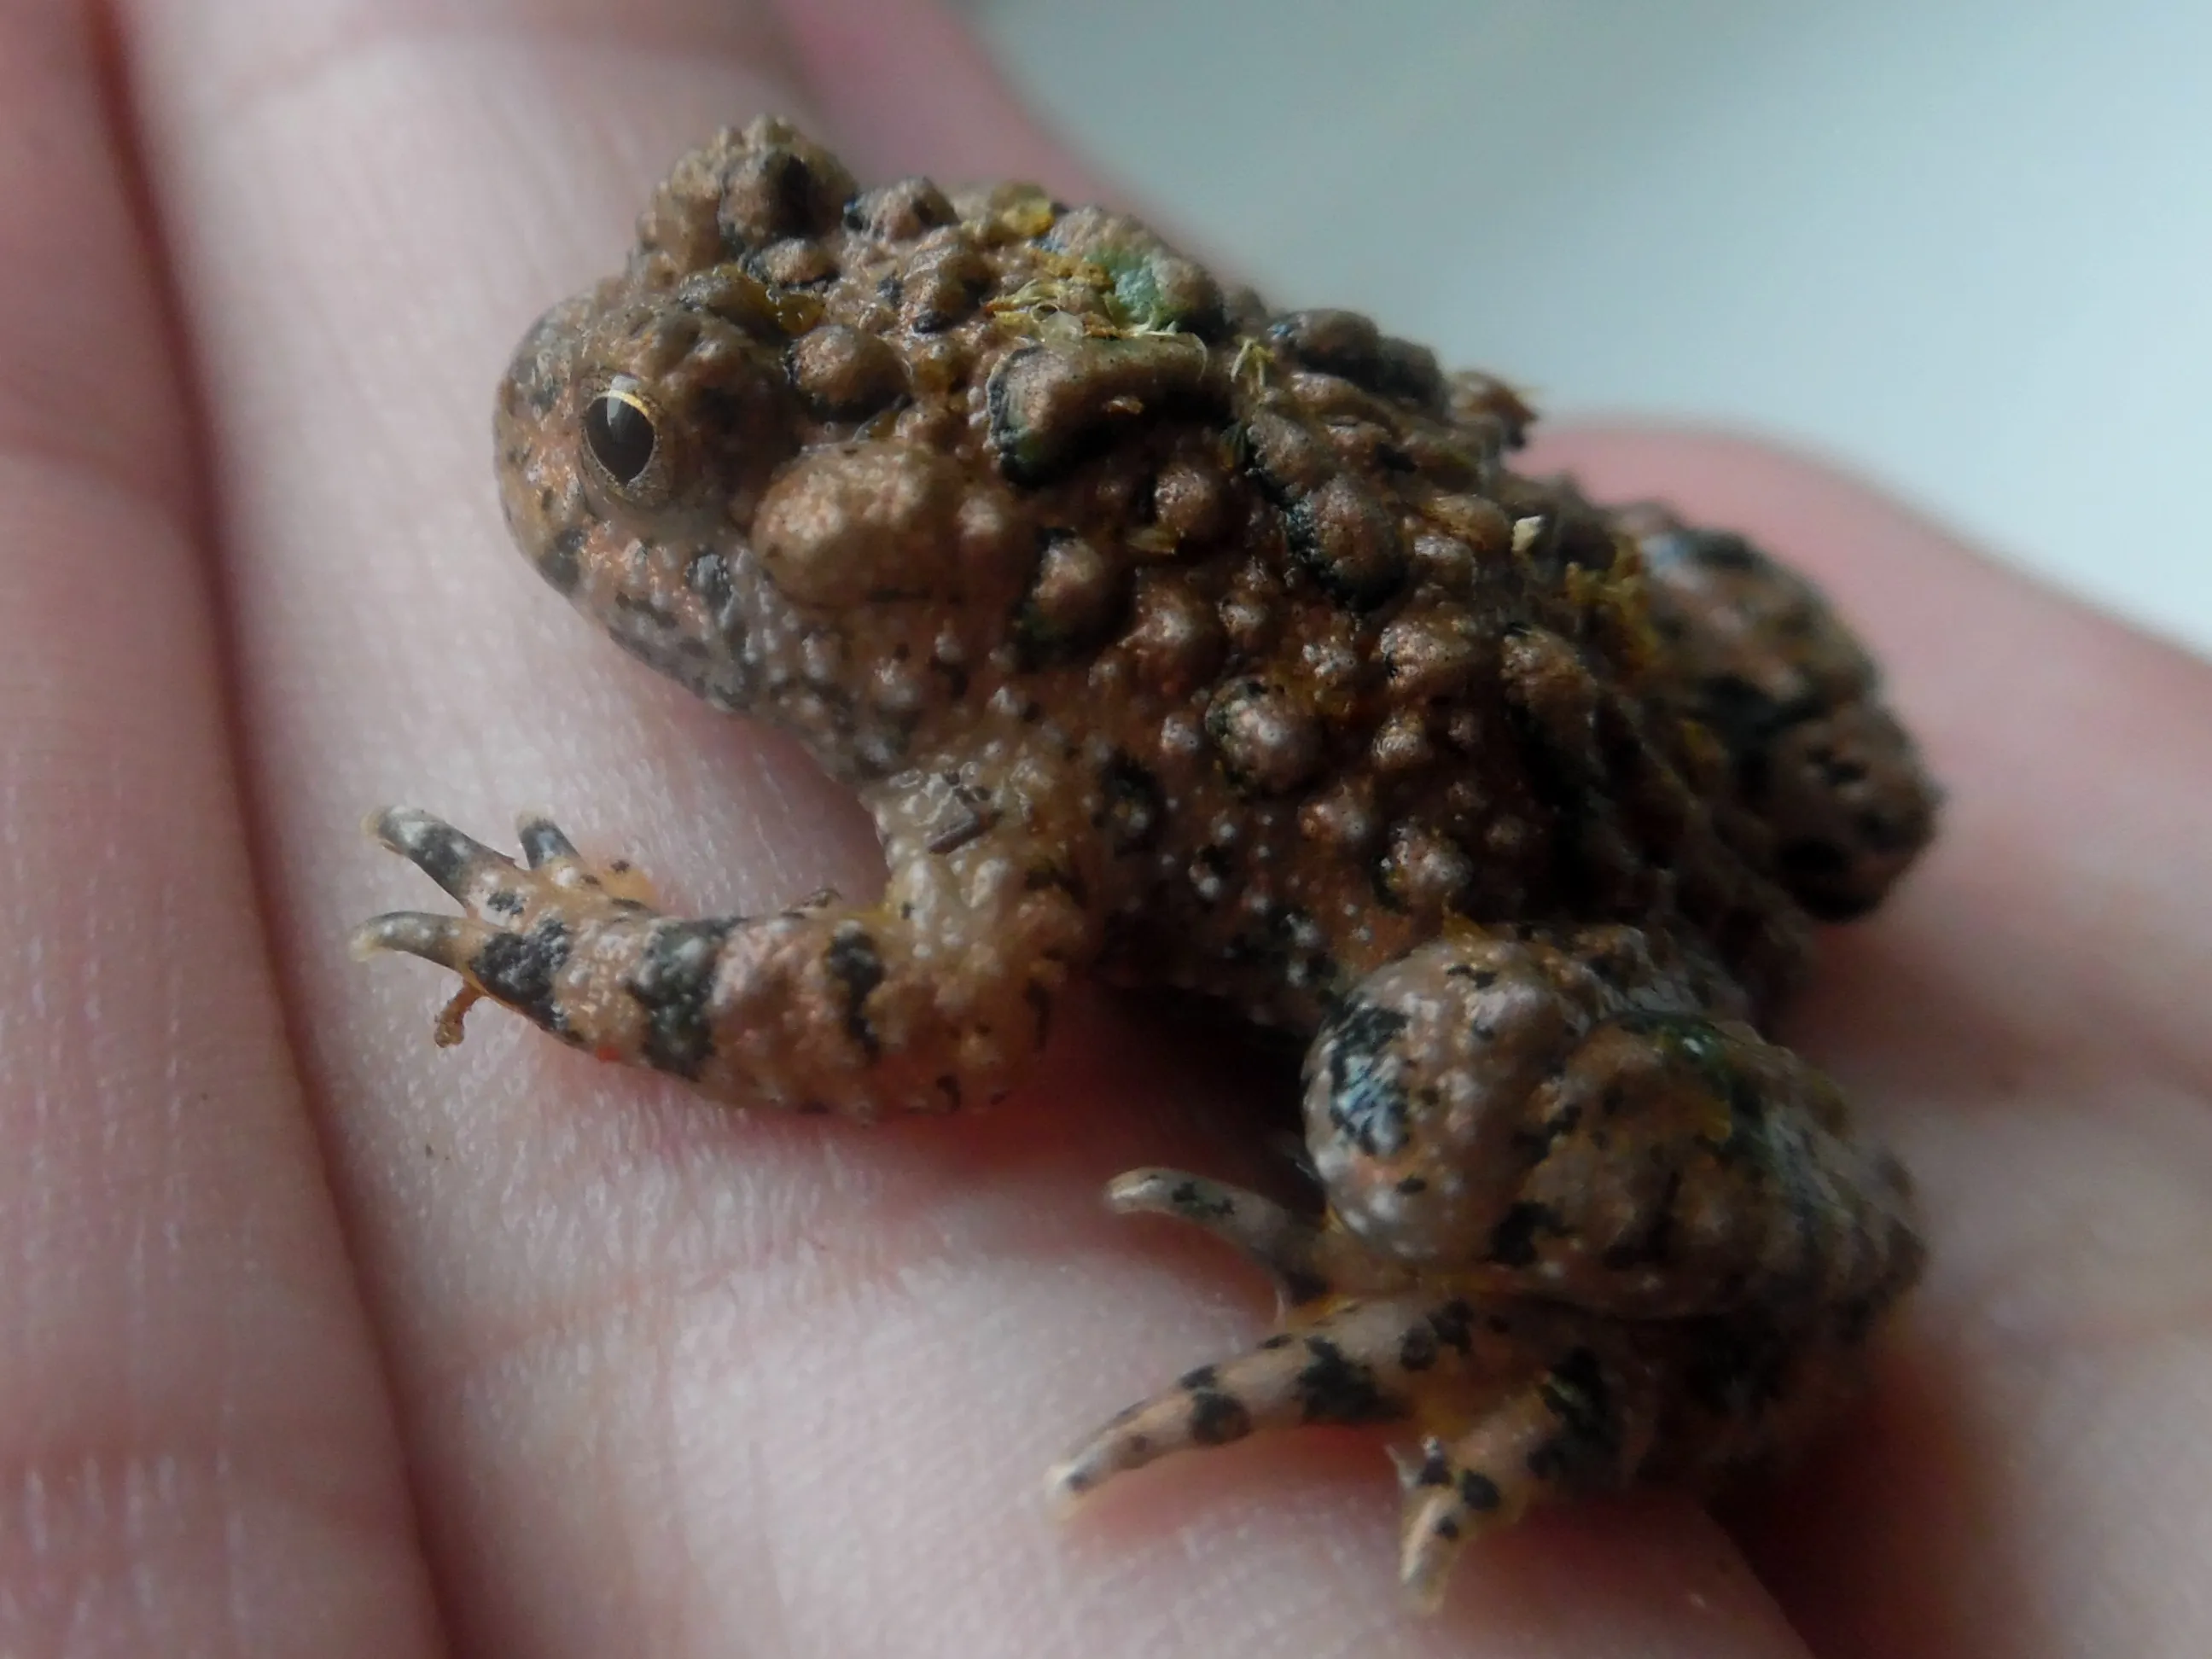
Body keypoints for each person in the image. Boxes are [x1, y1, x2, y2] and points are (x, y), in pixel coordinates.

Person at [3, 0, 2205, 1652]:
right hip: (1566, 655)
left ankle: (1639, 1330)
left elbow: (927, 1014)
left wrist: (559, 949)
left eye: (642, 446)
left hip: (1551, 928)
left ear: (853, 556)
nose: (572, 439)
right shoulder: (995, 506)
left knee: (1411, 1101)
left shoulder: (996, 721)